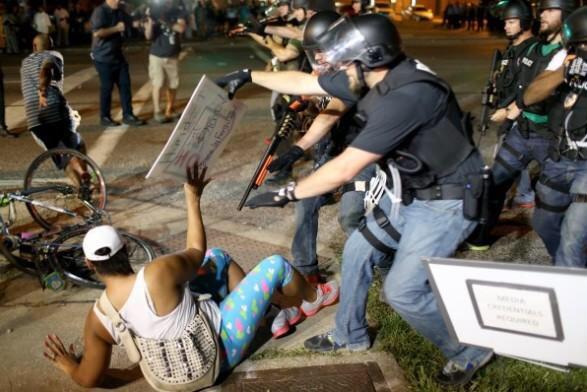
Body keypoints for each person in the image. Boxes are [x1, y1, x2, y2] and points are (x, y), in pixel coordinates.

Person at [217, 13, 493, 386]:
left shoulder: (407, 97)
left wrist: (288, 192)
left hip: (447, 200)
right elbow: (306, 81)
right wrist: (248, 76)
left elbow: (345, 167)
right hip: (413, 189)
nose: (335, 68)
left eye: (343, 62)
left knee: (403, 291)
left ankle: (469, 351)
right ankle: (351, 334)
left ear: (371, 57)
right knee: (359, 249)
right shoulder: (374, 75)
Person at [42, 161, 338, 387]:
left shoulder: (98, 317)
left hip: (173, 379)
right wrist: (192, 196)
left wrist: (70, 366)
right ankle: (312, 298)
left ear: (90, 264)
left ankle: (271, 313)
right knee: (276, 266)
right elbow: (195, 250)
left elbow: (89, 378)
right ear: (126, 249)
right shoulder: (156, 273)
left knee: (216, 259)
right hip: (218, 354)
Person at [521, 6, 587, 267]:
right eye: (579, 43)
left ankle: (570, 296)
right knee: (544, 222)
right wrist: (564, 71)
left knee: (572, 237)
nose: (583, 48)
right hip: (561, 157)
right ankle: (573, 271)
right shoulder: (565, 57)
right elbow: (530, 95)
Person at [21, 34, 88, 184]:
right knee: (76, 145)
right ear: (52, 46)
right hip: (55, 109)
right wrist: (43, 91)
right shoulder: (54, 55)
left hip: (35, 118)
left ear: (34, 47)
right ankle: (83, 173)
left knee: (61, 154)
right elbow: (46, 69)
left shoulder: (26, 62)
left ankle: (80, 187)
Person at [90, 0, 145, 127]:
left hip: (118, 56)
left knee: (125, 85)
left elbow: (130, 22)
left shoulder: (119, 11)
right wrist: (116, 28)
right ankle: (105, 117)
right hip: (103, 56)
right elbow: (97, 32)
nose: (119, 1)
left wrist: (138, 23)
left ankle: (128, 115)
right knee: (107, 88)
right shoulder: (100, 11)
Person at [144, 0, 186, 123]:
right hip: (157, 55)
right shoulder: (153, 12)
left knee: (174, 84)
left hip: (172, 55)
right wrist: (151, 22)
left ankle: (170, 109)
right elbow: (148, 36)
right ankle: (157, 111)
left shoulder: (178, 11)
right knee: (158, 83)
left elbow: (181, 28)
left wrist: (163, 20)